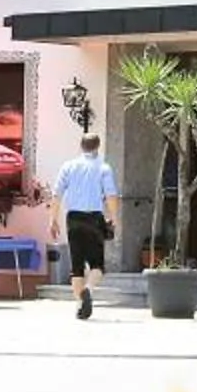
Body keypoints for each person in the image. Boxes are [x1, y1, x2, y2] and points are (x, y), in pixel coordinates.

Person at [49, 133, 118, 321]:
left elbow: (56, 194)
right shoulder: (104, 168)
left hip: (73, 218)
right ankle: (89, 289)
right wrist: (114, 217)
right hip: (94, 218)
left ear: (81, 146)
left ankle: (80, 305)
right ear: (98, 147)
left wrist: (52, 219)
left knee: (76, 265)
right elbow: (111, 195)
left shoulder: (68, 167)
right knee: (97, 264)